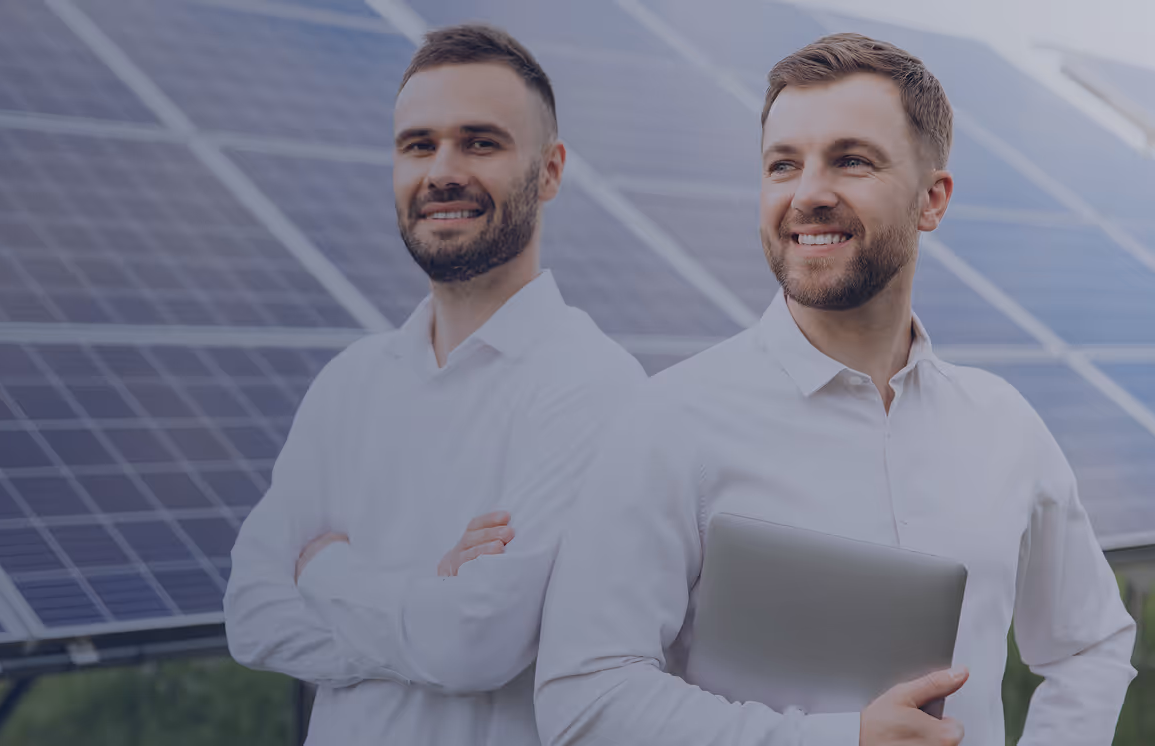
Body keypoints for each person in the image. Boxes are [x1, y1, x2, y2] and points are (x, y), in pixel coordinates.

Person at [534, 33, 1136, 746]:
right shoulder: (670, 422)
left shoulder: (1005, 427)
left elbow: (1090, 645)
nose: (808, 194)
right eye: (782, 164)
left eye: (851, 160)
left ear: (932, 199)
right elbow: (585, 700)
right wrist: (839, 738)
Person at [223, 22, 644, 746]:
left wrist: (327, 570)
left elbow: (474, 645)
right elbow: (251, 617)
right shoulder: (348, 385)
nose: (442, 171)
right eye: (419, 145)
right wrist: (431, 593)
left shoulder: (596, 388)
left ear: (549, 171)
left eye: (480, 142)